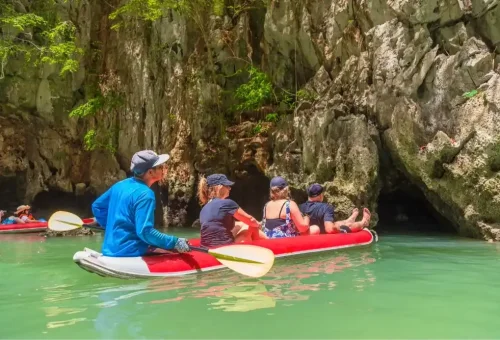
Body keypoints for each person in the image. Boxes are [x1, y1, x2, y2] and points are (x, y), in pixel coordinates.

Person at [91, 150, 190, 257]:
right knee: (177, 254)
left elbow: (97, 207)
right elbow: (145, 231)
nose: (163, 168)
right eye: (160, 166)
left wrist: (112, 226)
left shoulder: (119, 185)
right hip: (130, 251)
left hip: (109, 249)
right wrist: (175, 242)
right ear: (150, 172)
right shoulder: (145, 194)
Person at [198, 174, 266, 247]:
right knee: (252, 225)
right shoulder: (227, 203)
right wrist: (259, 225)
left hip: (206, 249)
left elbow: (218, 225)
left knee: (241, 225)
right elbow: (250, 220)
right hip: (225, 249)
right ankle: (267, 245)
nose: (230, 188)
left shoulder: (204, 209)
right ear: (219, 187)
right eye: (227, 186)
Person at [299, 183, 371, 234]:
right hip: (322, 235)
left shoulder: (299, 207)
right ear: (321, 195)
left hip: (311, 232)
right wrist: (338, 228)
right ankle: (363, 222)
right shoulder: (325, 207)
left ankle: (350, 219)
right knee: (339, 225)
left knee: (336, 223)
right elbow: (329, 229)